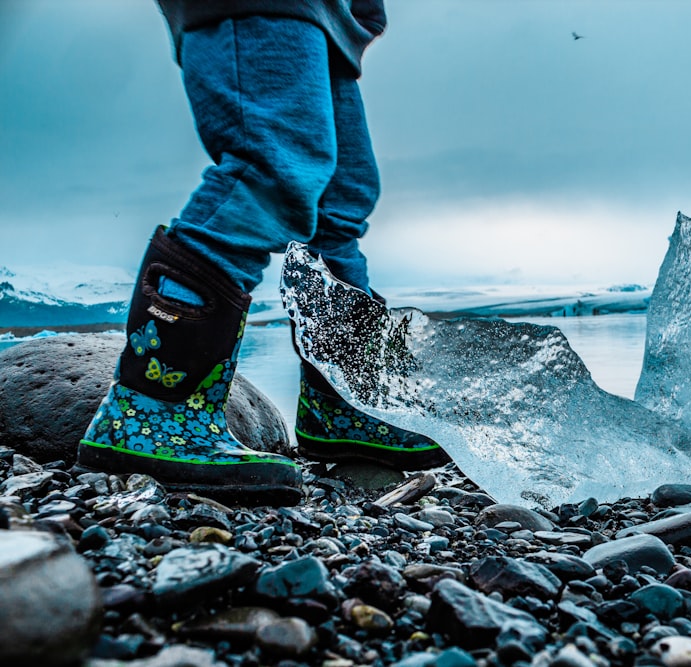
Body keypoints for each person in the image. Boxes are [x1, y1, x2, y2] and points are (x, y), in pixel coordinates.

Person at [74, 1, 449, 506]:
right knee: (271, 170)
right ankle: (151, 409)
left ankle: (341, 407)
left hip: (328, 18)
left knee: (340, 205)